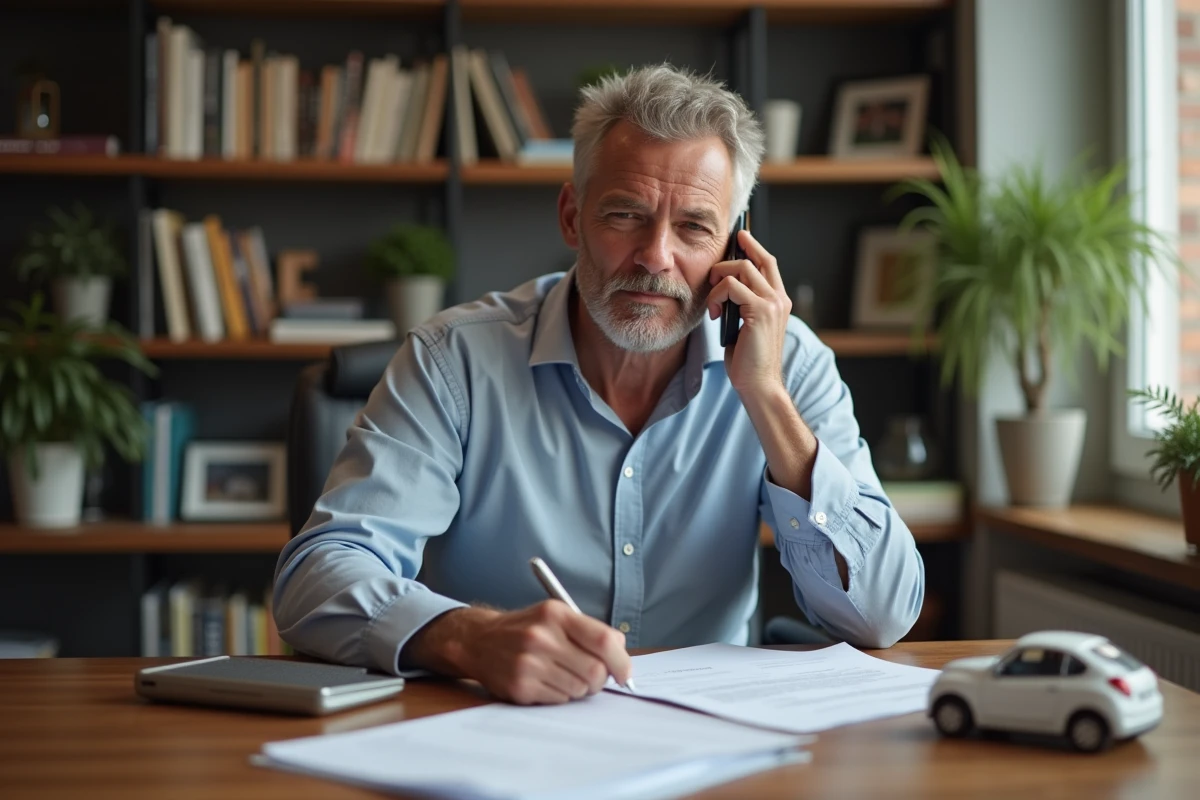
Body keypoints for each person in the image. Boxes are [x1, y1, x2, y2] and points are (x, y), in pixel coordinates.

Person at [274, 64, 924, 706]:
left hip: (709, 738)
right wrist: (470, 638)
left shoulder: (787, 362)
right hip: (499, 730)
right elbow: (316, 578)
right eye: (625, 215)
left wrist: (767, 398)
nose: (655, 256)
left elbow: (884, 614)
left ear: (735, 243)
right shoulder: (455, 361)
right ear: (571, 215)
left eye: (694, 226)